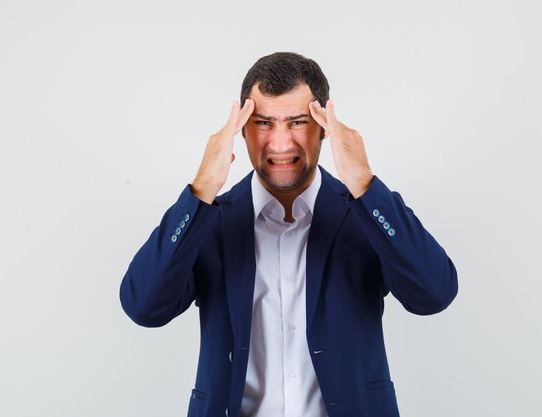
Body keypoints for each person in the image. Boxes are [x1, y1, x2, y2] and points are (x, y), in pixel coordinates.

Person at [119, 52, 458, 417]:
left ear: (325, 127)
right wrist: (201, 189)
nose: (280, 144)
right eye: (264, 123)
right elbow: (143, 306)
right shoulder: (209, 220)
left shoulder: (364, 213)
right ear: (242, 130)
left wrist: (363, 181)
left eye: (297, 122)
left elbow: (434, 294)